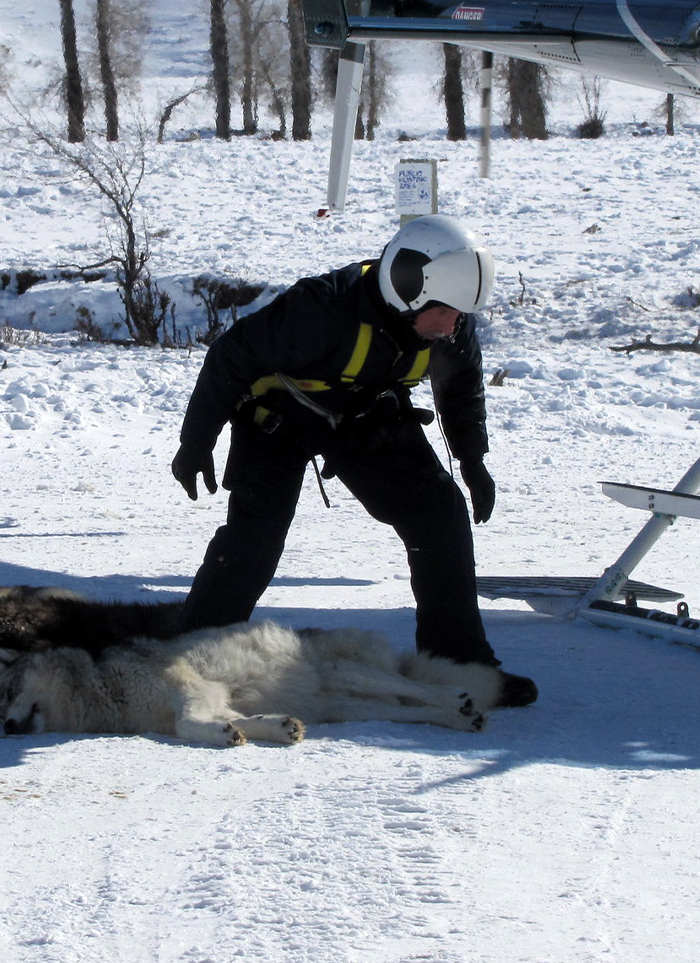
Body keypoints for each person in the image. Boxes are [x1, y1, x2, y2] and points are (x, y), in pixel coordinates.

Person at [169, 214, 536, 706]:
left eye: (460, 315)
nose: (452, 327)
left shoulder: (451, 324)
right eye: (445, 312)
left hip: (367, 413)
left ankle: (459, 663)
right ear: (408, 289)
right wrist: (197, 441)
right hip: (276, 417)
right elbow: (230, 357)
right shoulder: (322, 308)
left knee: (439, 515)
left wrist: (472, 460)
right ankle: (185, 659)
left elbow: (461, 389)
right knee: (255, 537)